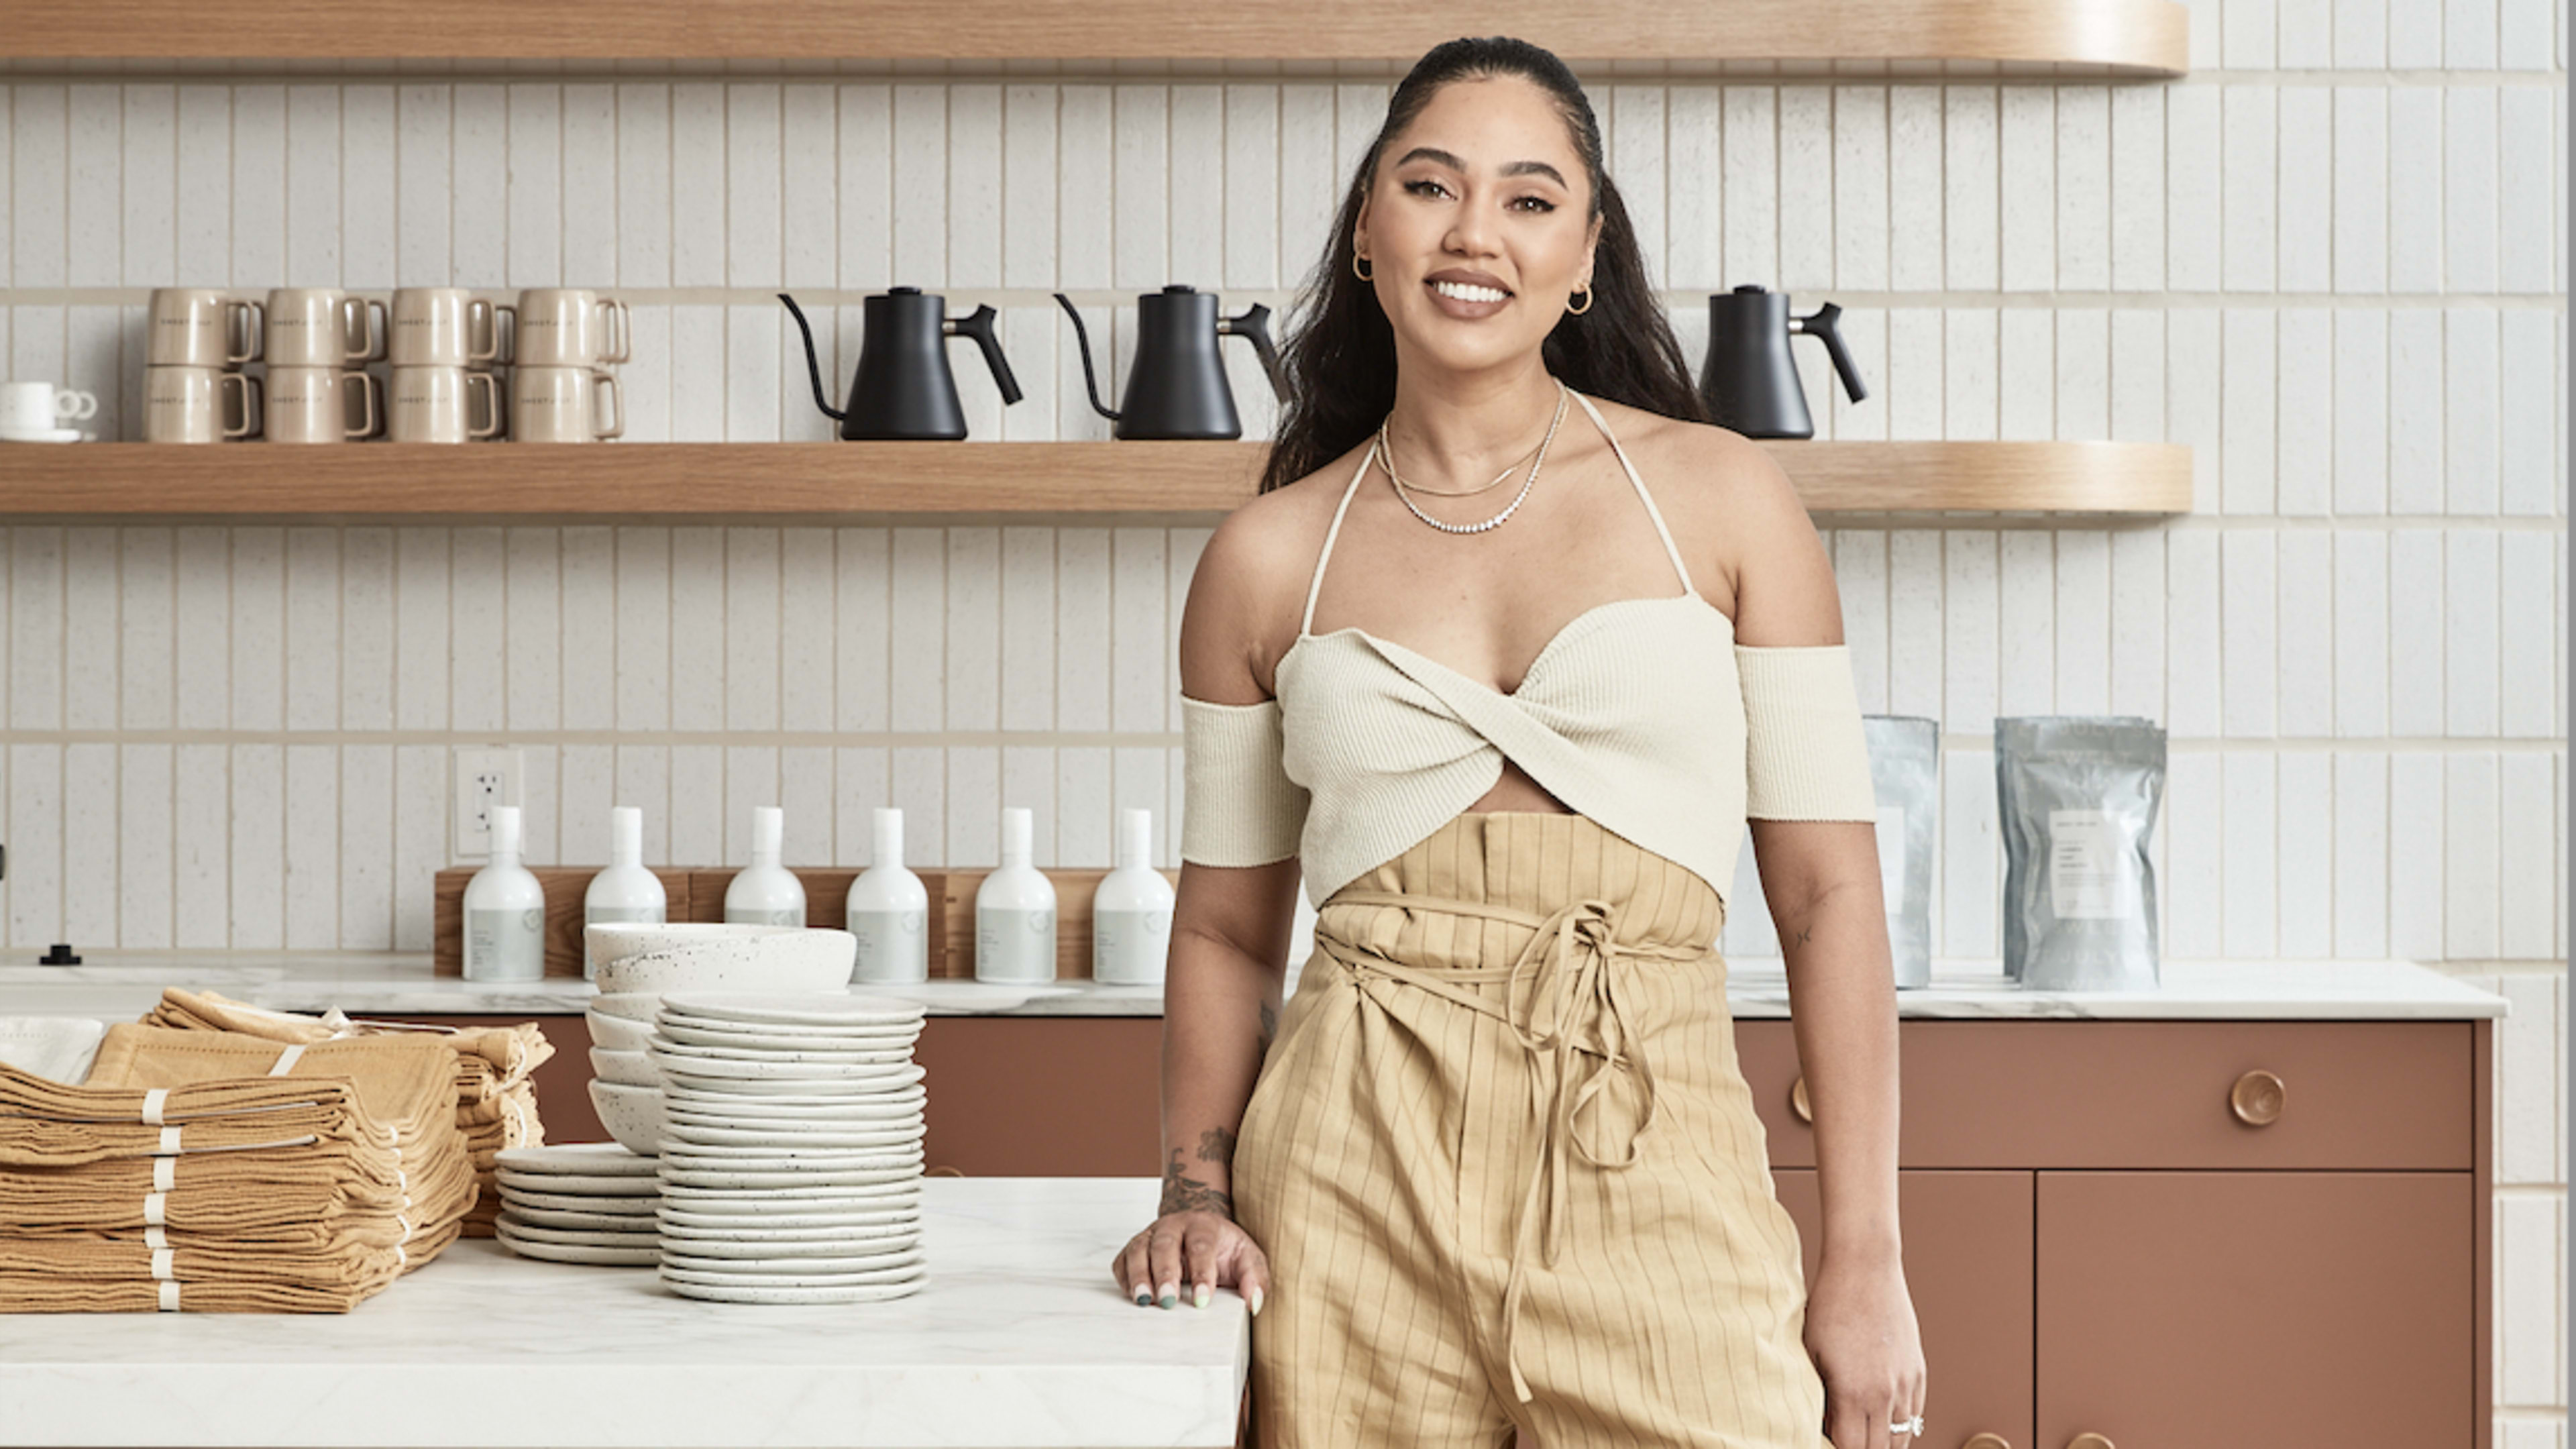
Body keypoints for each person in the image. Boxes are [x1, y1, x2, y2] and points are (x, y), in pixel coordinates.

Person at [1109, 35, 1928, 1449]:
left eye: (1530, 199)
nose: (1473, 231)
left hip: (1656, 1136)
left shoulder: (1724, 501)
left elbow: (1828, 895)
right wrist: (1196, 1195)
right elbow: (1231, 933)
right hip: (1351, 1172)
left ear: (1586, 251)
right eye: (1429, 186)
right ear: (1369, 228)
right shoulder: (1264, 560)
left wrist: (1865, 1260)